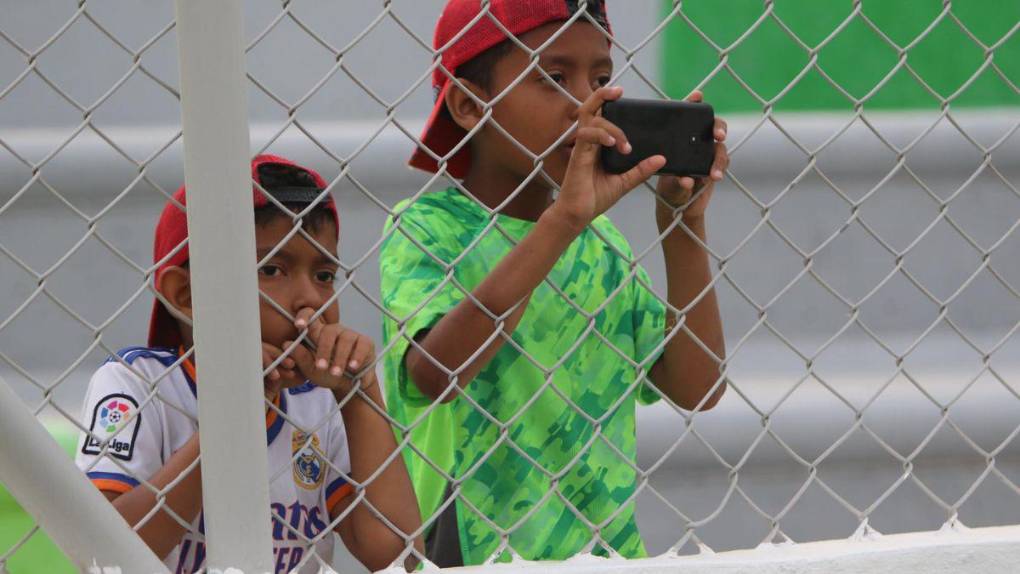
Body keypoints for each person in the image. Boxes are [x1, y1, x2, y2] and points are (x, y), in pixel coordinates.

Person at [379, 0, 730, 567]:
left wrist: (682, 227)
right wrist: (562, 222)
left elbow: (698, 387)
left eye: (601, 79)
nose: (585, 104)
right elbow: (436, 373)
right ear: (470, 105)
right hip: (472, 552)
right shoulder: (427, 230)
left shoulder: (602, 244)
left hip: (602, 554)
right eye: (553, 78)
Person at [75, 155, 421, 573]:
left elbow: (401, 557)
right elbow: (102, 553)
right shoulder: (137, 383)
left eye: (325, 275)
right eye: (273, 268)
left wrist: (358, 392)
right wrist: (233, 416)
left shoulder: (319, 402)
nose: (310, 299)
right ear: (187, 295)